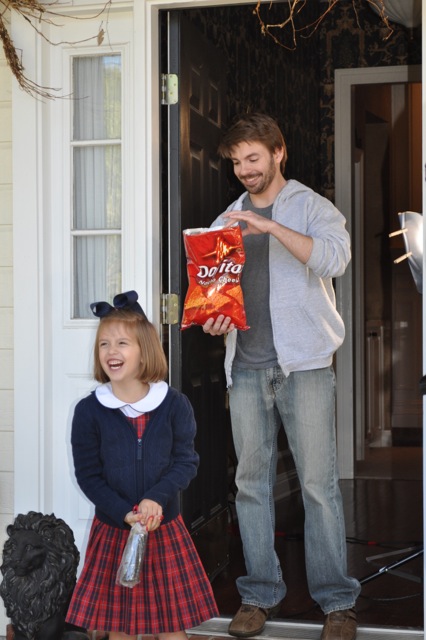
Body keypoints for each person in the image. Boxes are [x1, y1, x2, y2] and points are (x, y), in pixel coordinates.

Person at [202, 113, 361, 640]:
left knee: (318, 487)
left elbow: (337, 259)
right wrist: (214, 319)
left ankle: (337, 603)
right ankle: (258, 594)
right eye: (237, 162)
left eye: (253, 158)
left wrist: (270, 227)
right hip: (245, 367)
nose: (245, 170)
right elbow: (216, 297)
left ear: (278, 153)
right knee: (250, 485)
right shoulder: (224, 219)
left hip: (307, 365)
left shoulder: (312, 207)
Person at [65, 290, 219, 640]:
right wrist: (123, 512)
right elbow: (88, 476)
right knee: (121, 627)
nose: (111, 352)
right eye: (104, 344)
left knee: (170, 627)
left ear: (144, 350)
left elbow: (185, 461)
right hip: (115, 530)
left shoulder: (173, 405)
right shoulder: (89, 411)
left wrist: (157, 498)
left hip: (163, 528)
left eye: (122, 343)